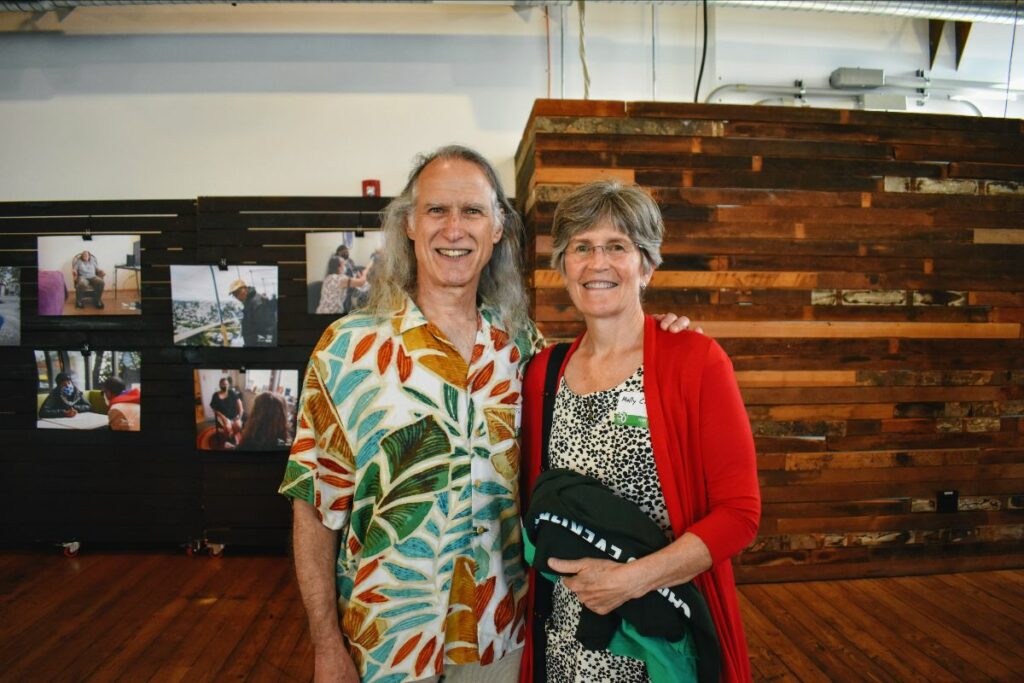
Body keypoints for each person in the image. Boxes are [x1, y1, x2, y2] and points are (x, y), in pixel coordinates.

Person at [278, 146, 692, 683]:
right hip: (383, 642)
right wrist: (324, 644)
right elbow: (314, 507)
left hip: (500, 638)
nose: (455, 229)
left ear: (497, 227)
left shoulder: (523, 348)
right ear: (408, 223)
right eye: (437, 210)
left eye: (472, 211)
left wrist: (663, 341)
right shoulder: (348, 348)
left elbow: (602, 370)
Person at [519, 181, 760, 683]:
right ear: (563, 266)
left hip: (657, 635)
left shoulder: (694, 361)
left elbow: (740, 515)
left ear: (647, 266)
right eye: (581, 248)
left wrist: (627, 582)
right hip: (566, 637)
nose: (597, 262)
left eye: (617, 246)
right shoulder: (543, 372)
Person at [228, 279, 276, 346]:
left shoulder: (258, 303)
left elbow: (268, 331)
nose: (237, 297)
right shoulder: (249, 302)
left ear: (245, 289)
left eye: (237, 293)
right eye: (235, 295)